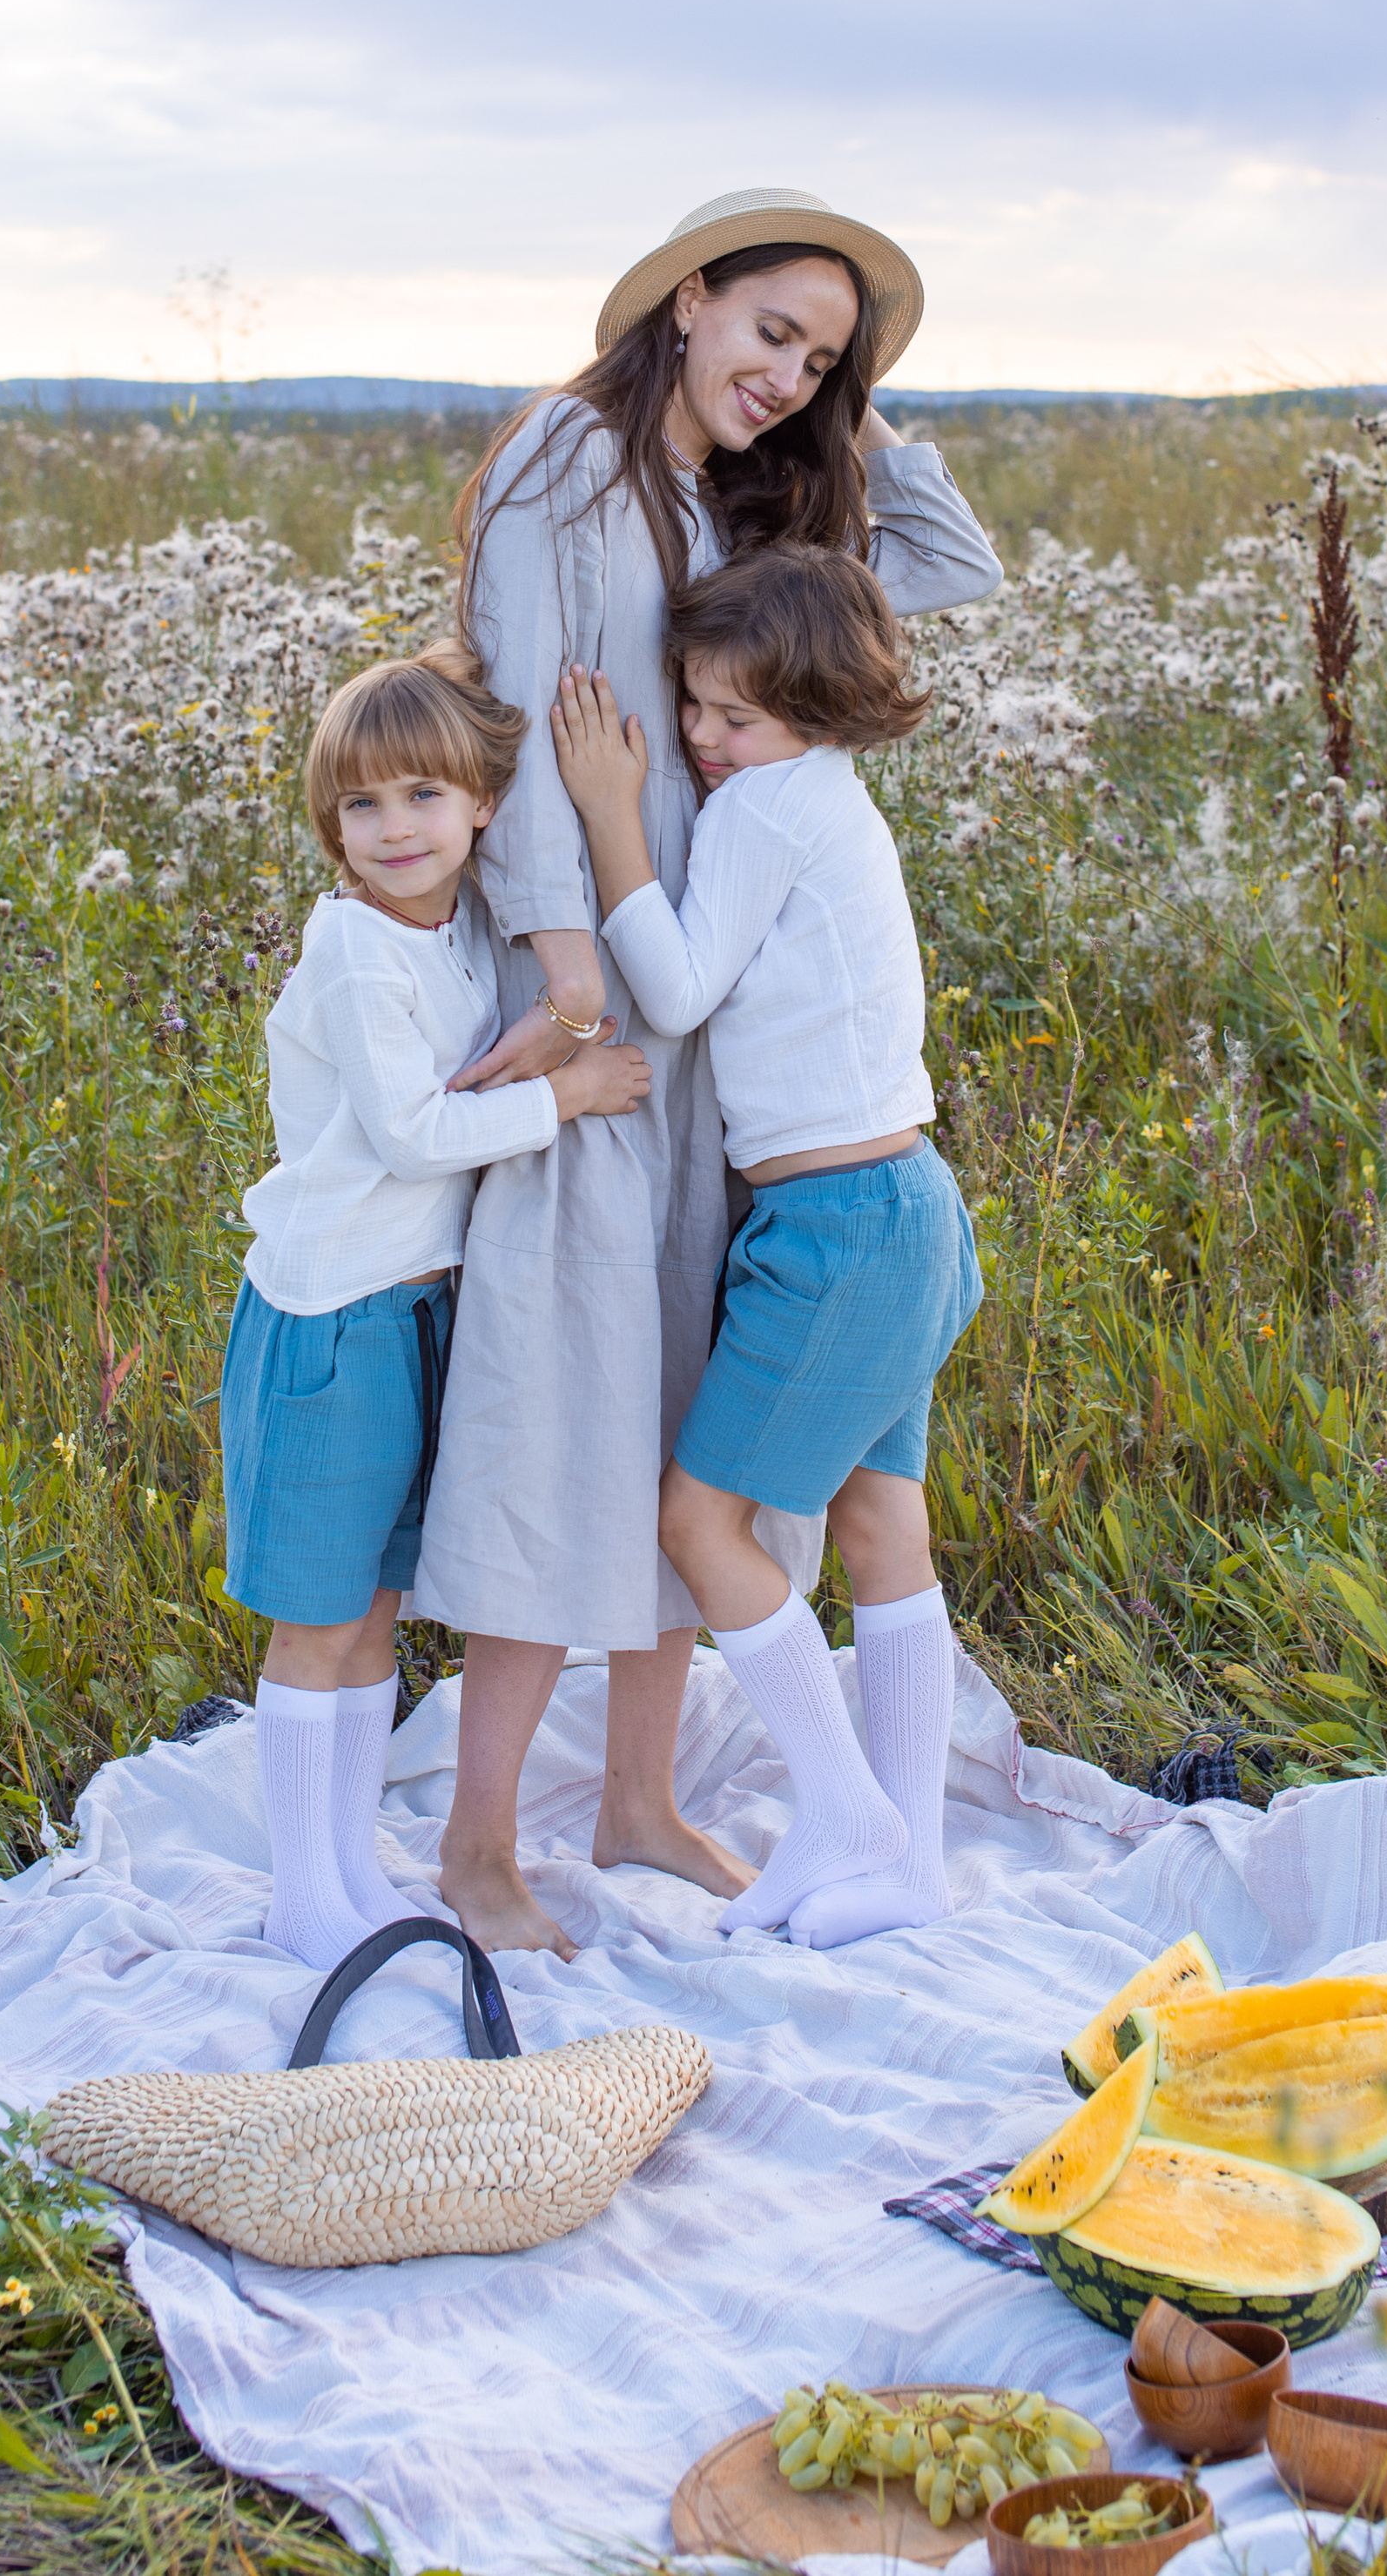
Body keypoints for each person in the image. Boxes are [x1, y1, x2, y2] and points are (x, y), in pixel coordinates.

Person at [408, 188, 1000, 1958]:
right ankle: (480, 1844)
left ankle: (643, 1799)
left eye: (819, 357)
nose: (786, 375)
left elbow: (947, 567)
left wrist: (843, 412)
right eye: (766, 330)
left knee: (680, 1405)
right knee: (557, 1400)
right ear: (683, 299)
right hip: (600, 992)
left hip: (713, 1029)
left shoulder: (741, 502)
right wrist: (565, 966)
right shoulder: (567, 460)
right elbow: (521, 712)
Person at [549, 545, 981, 1948]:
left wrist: (611, 814)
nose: (700, 736)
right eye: (694, 703)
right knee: (880, 1525)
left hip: (838, 1228)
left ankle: (848, 1814)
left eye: (735, 715)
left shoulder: (763, 808)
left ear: (822, 704)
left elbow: (675, 990)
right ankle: (909, 1861)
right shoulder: (832, 797)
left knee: (697, 1523)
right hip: (908, 1206)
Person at [220, 643, 650, 1969]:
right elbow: (410, 1136)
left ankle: (352, 1869)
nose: (394, 828)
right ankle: (308, 1894)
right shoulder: (354, 945)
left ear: (481, 808)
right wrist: (568, 1093)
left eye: (423, 796)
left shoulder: (458, 930)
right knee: (320, 1618)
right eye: (362, 804)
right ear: (330, 824)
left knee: (375, 1614)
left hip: (416, 1314)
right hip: (333, 1315)